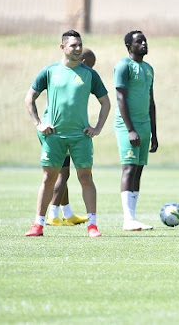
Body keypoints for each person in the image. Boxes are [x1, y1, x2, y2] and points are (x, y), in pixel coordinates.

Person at [24, 30, 110, 238]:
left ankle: (92, 225)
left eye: (80, 44)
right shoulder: (50, 71)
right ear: (62, 47)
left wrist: (97, 128)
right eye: (73, 45)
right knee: (48, 179)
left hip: (81, 136)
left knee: (85, 177)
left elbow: (105, 102)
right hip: (54, 136)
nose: (78, 48)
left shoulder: (89, 74)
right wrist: (38, 123)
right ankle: (38, 225)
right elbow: (30, 98)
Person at [46, 47, 97, 227]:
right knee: (61, 174)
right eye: (91, 66)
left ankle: (67, 213)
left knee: (63, 173)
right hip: (58, 131)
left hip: (59, 129)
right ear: (84, 64)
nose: (92, 70)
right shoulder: (78, 75)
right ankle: (52, 214)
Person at [115, 31, 158, 231]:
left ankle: (132, 217)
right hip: (127, 125)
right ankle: (127, 219)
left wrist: (155, 134)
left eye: (144, 40)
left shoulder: (148, 69)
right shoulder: (124, 66)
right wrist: (130, 129)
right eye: (138, 41)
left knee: (138, 170)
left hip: (145, 125)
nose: (143, 43)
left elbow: (151, 102)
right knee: (129, 168)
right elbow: (121, 98)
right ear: (128, 46)